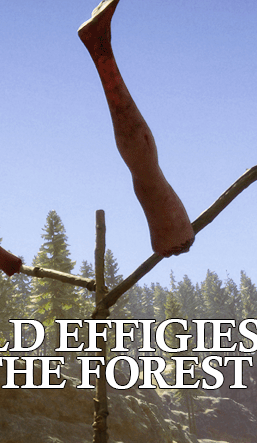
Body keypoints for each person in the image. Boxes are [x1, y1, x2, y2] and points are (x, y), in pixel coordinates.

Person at [77, 0, 196, 258]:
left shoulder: (176, 235)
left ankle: (100, 46)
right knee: (147, 166)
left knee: (146, 166)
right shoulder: (176, 235)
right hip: (172, 235)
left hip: (172, 235)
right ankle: (100, 46)